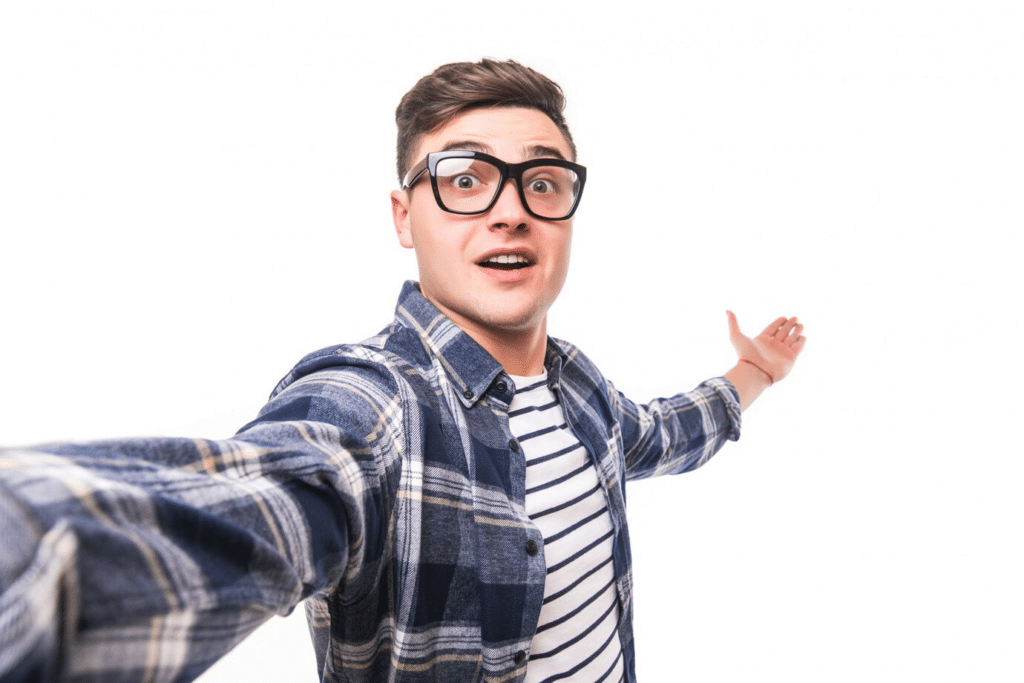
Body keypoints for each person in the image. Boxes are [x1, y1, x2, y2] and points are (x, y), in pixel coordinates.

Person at [0, 58, 805, 683]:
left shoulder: (579, 384)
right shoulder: (374, 410)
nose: (510, 207)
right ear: (403, 216)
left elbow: (664, 432)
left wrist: (753, 371)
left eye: (543, 180)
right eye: (463, 178)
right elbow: (246, 499)